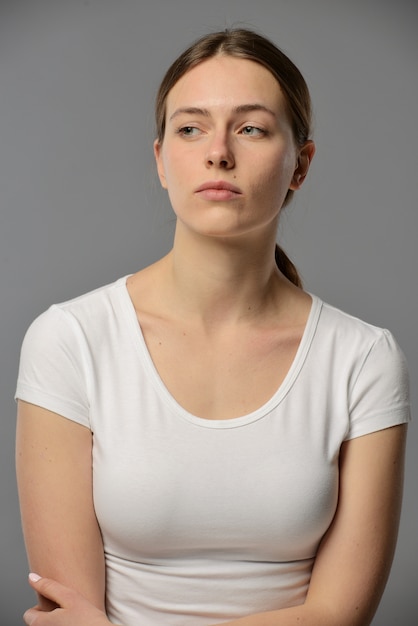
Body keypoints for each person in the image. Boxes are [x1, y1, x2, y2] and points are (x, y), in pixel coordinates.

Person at [15, 28, 410, 626]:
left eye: (250, 128)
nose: (218, 152)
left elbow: (338, 616)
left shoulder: (363, 358)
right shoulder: (70, 339)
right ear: (161, 161)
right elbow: (68, 615)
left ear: (300, 164)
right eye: (191, 127)